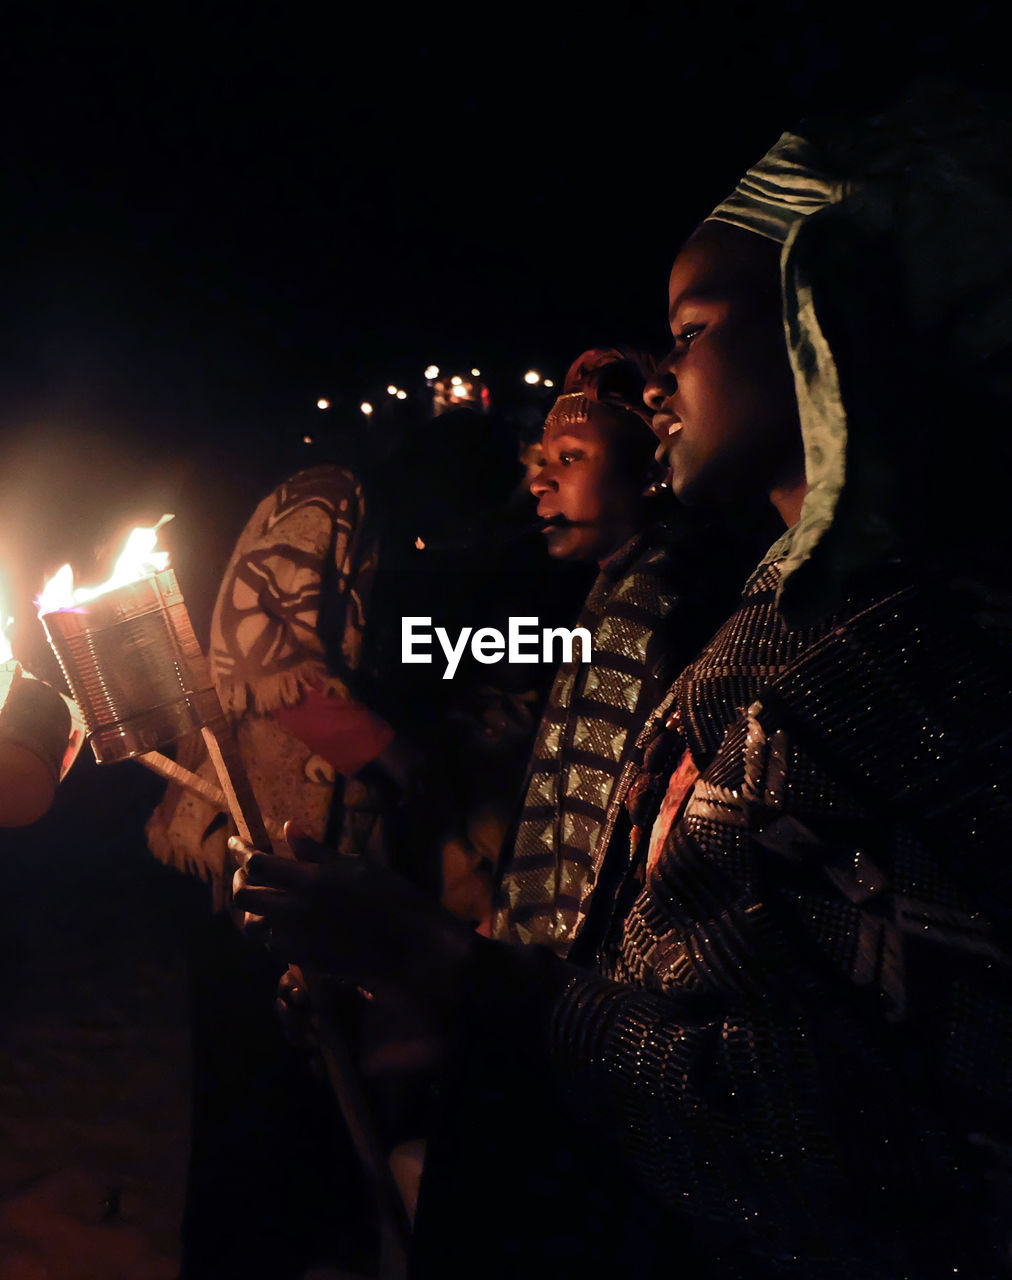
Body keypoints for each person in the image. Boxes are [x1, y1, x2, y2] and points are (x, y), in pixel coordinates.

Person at [235, 87, 1012, 1278]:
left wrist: (448, 969)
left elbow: (810, 1140)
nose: (660, 387)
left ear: (828, 326)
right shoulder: (761, 626)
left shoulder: (895, 668)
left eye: (691, 331)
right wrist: (427, 971)